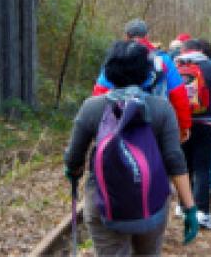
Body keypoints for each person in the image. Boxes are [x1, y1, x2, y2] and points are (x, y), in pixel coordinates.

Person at [65, 41, 198, 256]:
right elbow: (175, 161)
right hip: (152, 202)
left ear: (108, 74)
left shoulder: (92, 107)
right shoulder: (162, 109)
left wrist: (73, 171)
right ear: (147, 75)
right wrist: (189, 207)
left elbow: (73, 158)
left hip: (102, 202)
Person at [92, 19, 192, 142]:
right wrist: (183, 126)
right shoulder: (163, 60)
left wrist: (98, 125)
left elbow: (100, 91)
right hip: (156, 124)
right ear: (147, 36)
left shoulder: (116, 59)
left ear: (126, 36)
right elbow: (178, 94)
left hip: (119, 122)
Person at [175, 39, 211, 229]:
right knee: (202, 167)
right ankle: (202, 213)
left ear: (185, 50)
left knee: (184, 166)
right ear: (200, 50)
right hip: (205, 123)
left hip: (181, 123)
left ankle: (182, 207)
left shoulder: (175, 66)